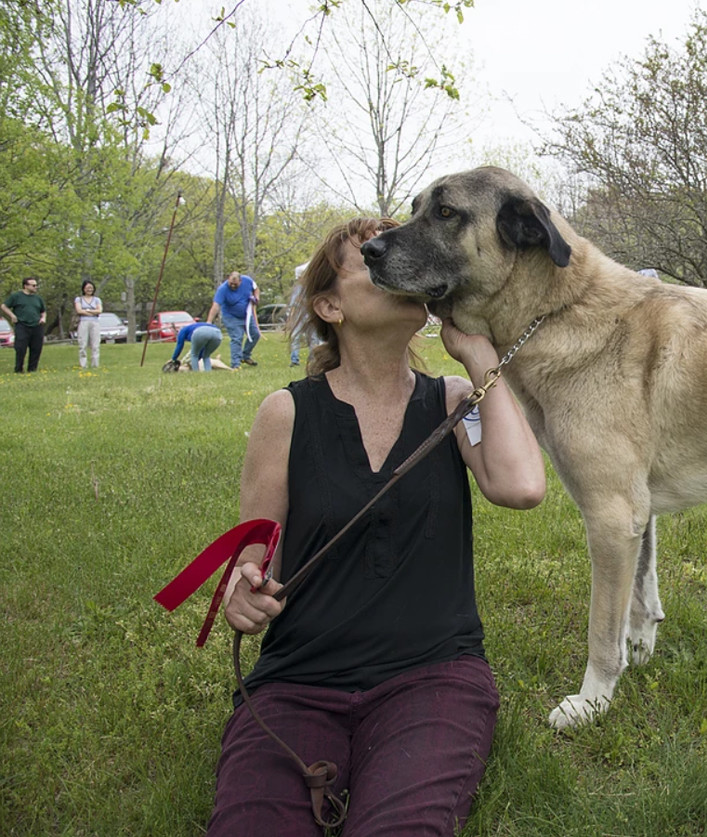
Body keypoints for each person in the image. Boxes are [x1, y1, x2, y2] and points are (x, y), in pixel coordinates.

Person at [207, 217, 546, 836]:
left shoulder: (449, 400)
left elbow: (522, 486)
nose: (398, 262)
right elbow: (256, 555)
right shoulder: (285, 413)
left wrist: (477, 358)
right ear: (329, 305)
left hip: (432, 676)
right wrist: (243, 589)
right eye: (371, 257)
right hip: (298, 682)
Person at [206, 271, 261, 369]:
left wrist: (256, 298)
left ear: (241, 281)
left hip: (247, 315)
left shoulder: (247, 281)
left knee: (255, 334)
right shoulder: (222, 289)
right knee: (237, 338)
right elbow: (216, 305)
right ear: (228, 279)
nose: (232, 286)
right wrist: (209, 321)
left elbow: (256, 288)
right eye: (230, 283)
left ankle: (245, 355)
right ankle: (236, 364)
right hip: (231, 317)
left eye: (235, 284)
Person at [2, 277, 47, 374]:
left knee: (36, 348)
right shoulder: (16, 296)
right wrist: (12, 315)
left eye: (36, 285)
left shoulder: (38, 298)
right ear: (25, 286)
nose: (36, 287)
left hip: (36, 325)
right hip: (22, 325)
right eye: (33, 285)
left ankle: (32, 369)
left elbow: (43, 311)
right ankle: (18, 369)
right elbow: (4, 306)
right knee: (21, 348)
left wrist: (43, 318)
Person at [74, 280, 104, 369]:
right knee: (82, 344)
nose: (89, 289)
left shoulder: (97, 300)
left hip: (95, 323)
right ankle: (83, 365)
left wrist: (87, 311)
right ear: (83, 289)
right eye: (87, 288)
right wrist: (93, 312)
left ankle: (95, 364)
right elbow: (79, 310)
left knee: (95, 344)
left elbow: (99, 311)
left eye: (91, 288)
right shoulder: (79, 299)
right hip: (83, 322)